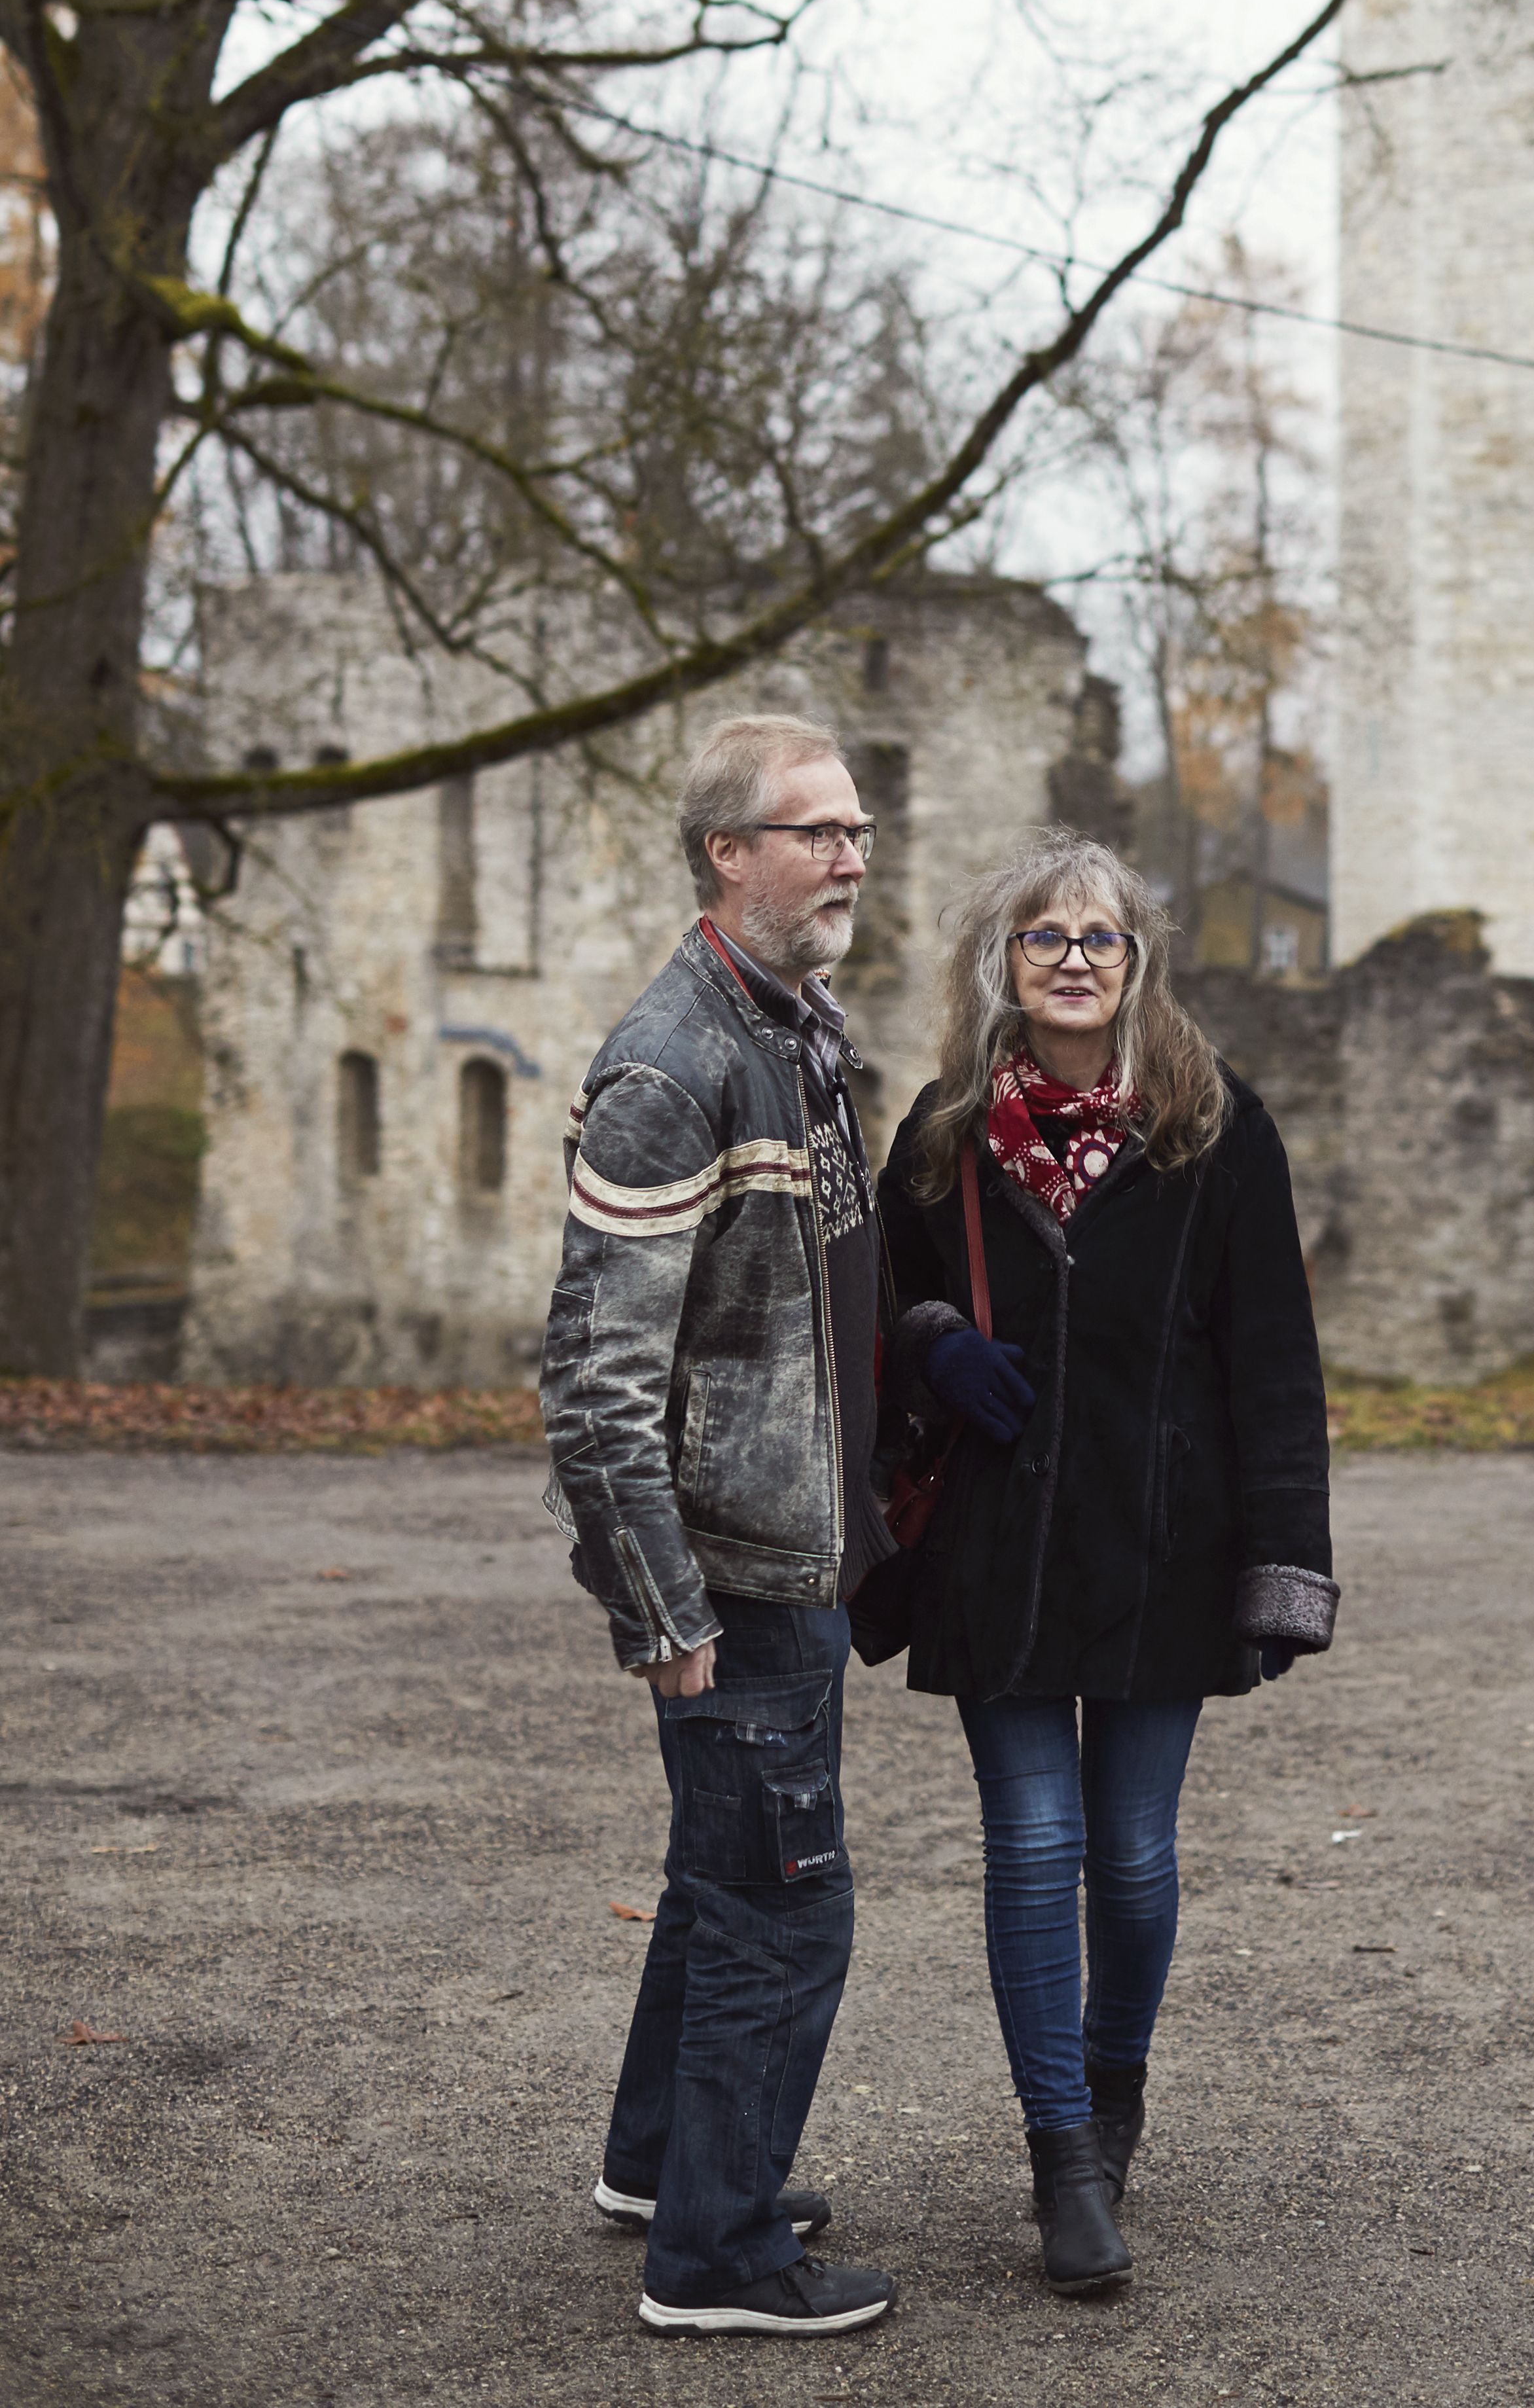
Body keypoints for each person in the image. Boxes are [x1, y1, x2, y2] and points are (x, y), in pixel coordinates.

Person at [878, 827, 1338, 2297]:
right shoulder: (945, 1130)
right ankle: (1060, 2151)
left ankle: (1114, 2093)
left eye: (1098, 937)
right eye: (1040, 936)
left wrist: (1281, 1562)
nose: (1070, 960)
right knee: (1032, 1846)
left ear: (1135, 962)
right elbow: (877, 1302)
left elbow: (1273, 1360)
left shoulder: (1212, 1130)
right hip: (997, 1548)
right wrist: (933, 1343)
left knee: (1132, 1854)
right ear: (1000, 963)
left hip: (1162, 1546)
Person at [539, 712, 899, 2341]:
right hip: (732, 1576)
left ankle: (658, 2165)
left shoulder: (796, 1025)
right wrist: (661, 1611)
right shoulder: (671, 1063)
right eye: (811, 829)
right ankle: (719, 2253)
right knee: (782, 1893)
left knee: (716, 1877)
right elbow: (594, 1382)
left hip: (795, 1547)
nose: (846, 854)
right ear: (725, 852)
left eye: (856, 828)